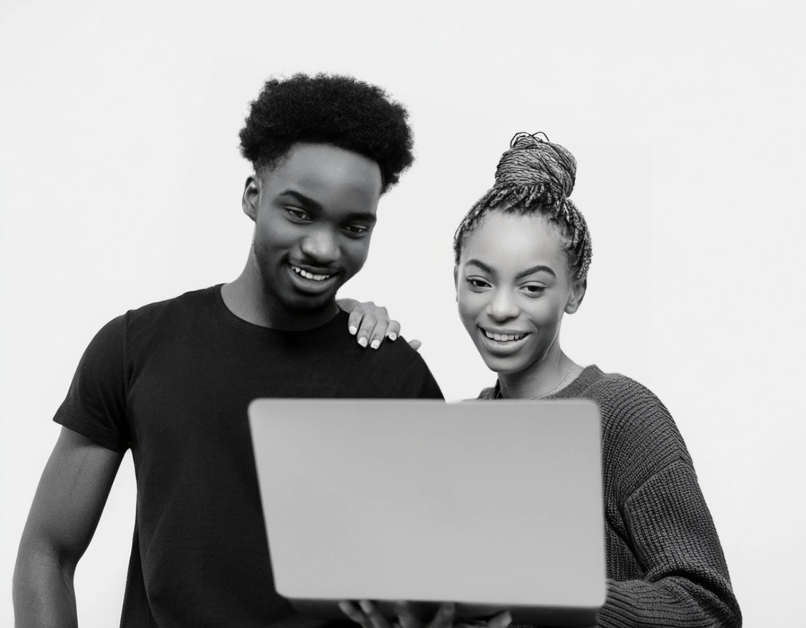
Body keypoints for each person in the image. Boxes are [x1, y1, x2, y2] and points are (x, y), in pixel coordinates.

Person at [13, 73, 441, 628]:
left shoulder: (393, 373)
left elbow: (436, 586)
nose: (323, 247)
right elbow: (47, 552)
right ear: (252, 196)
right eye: (300, 212)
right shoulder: (135, 347)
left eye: (353, 226)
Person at [344, 133, 741, 628]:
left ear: (575, 291)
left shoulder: (622, 415)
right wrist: (350, 357)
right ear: (455, 280)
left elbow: (708, 610)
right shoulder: (453, 426)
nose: (502, 308)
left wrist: (552, 599)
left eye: (532, 286)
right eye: (479, 282)